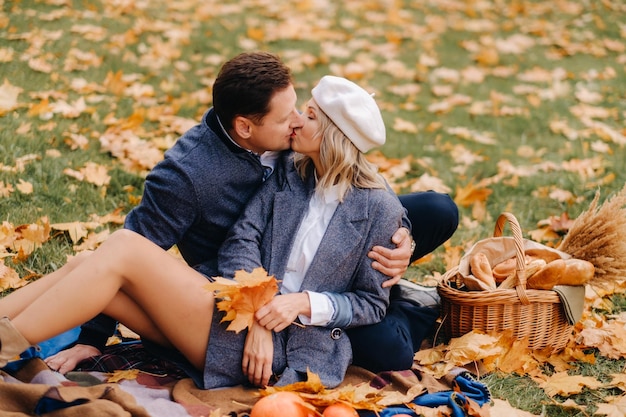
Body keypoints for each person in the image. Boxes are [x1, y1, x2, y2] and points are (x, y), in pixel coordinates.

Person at [42, 51, 458, 374]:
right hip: (237, 294)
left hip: (295, 300)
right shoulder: (223, 175)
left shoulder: (294, 153)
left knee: (434, 213)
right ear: (246, 128)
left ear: (330, 138)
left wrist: (401, 236)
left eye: (306, 113)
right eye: (293, 115)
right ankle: (9, 332)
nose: (295, 121)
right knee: (100, 256)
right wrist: (93, 339)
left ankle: (402, 295)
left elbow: (357, 177)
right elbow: (233, 242)